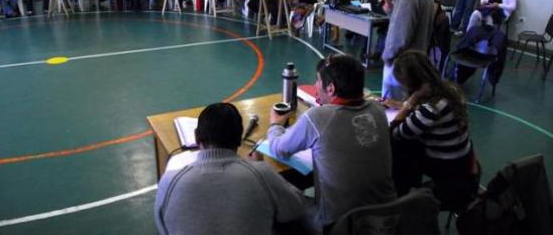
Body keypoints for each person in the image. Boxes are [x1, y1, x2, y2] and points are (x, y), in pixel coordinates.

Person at [268, 54, 396, 233]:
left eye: (317, 81)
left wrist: (275, 124)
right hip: (386, 219)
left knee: (279, 203)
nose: (314, 86)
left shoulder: (318, 117)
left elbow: (278, 148)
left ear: (330, 88)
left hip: (340, 225)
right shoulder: (377, 110)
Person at [154, 102, 306, 235]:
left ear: (196, 138)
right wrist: (260, 166)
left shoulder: (169, 182)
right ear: (239, 139)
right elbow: (296, 208)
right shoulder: (261, 174)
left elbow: (163, 228)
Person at [384, 50, 476, 207]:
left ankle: (403, 198)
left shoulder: (430, 109)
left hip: (448, 167)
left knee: (400, 150)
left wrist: (410, 102)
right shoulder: (450, 90)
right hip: (463, 159)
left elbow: (395, 132)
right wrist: (402, 105)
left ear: (411, 84)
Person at [382, 0, 435, 101]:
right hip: (417, 61)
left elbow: (401, 34)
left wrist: (388, 56)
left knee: (393, 107)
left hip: (401, 64)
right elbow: (412, 22)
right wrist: (391, 10)